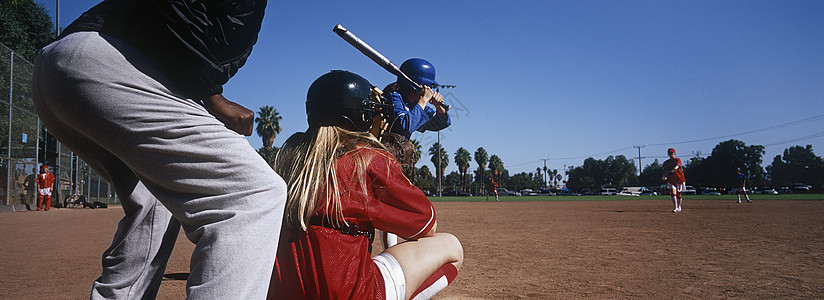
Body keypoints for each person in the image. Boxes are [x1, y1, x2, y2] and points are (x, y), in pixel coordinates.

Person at [31, 0, 286, 298]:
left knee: (154, 200)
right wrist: (212, 94)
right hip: (106, 60)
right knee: (251, 193)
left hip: (68, 70)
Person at [268, 71, 463, 300]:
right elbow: (427, 225)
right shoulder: (365, 157)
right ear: (359, 115)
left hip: (285, 292)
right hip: (352, 292)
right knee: (452, 247)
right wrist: (395, 173)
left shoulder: (287, 158)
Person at [386, 58, 451, 140]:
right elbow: (404, 127)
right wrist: (423, 100)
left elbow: (438, 124)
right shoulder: (393, 97)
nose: (430, 91)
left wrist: (439, 108)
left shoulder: (414, 105)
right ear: (420, 86)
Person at [662, 148, 686, 212]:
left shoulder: (678, 160)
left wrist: (675, 168)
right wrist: (664, 175)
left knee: (679, 194)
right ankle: (675, 207)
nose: (670, 154)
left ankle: (679, 206)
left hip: (679, 179)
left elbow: (678, 165)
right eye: (669, 153)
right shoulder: (667, 162)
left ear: (675, 153)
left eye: (672, 153)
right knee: (673, 192)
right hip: (671, 180)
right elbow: (666, 170)